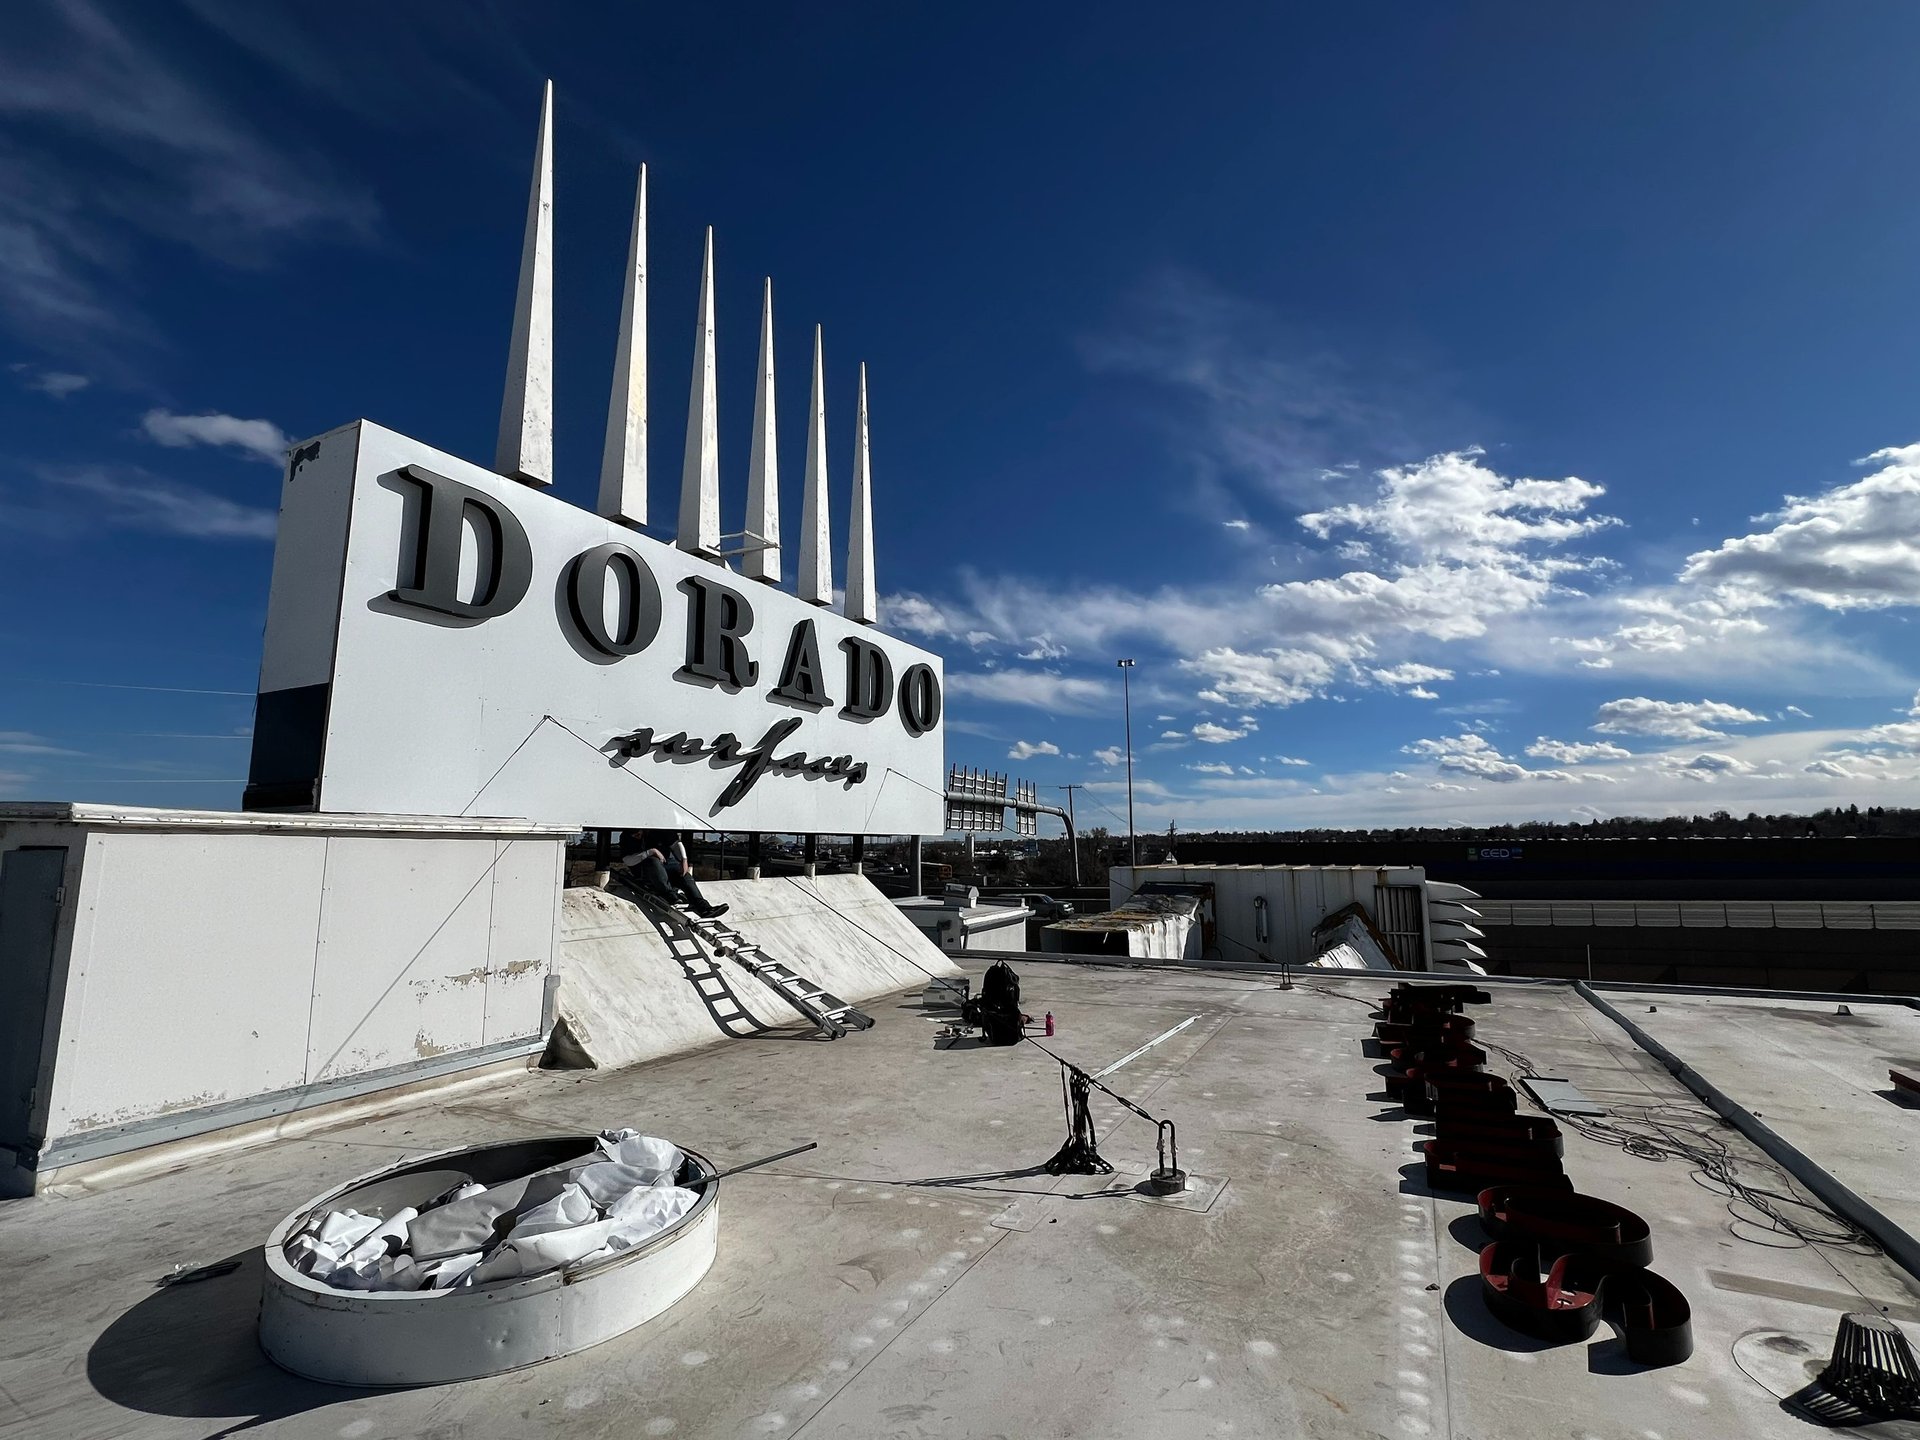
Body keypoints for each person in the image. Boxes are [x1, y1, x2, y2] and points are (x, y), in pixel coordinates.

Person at [617, 828, 728, 918]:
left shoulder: (660, 830)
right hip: (646, 871)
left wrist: (684, 860)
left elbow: (675, 844)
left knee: (685, 877)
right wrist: (651, 852)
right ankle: (669, 896)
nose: (637, 836)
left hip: (667, 864)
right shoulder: (625, 837)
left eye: (638, 833)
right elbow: (628, 860)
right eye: (634, 835)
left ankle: (704, 907)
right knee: (653, 861)